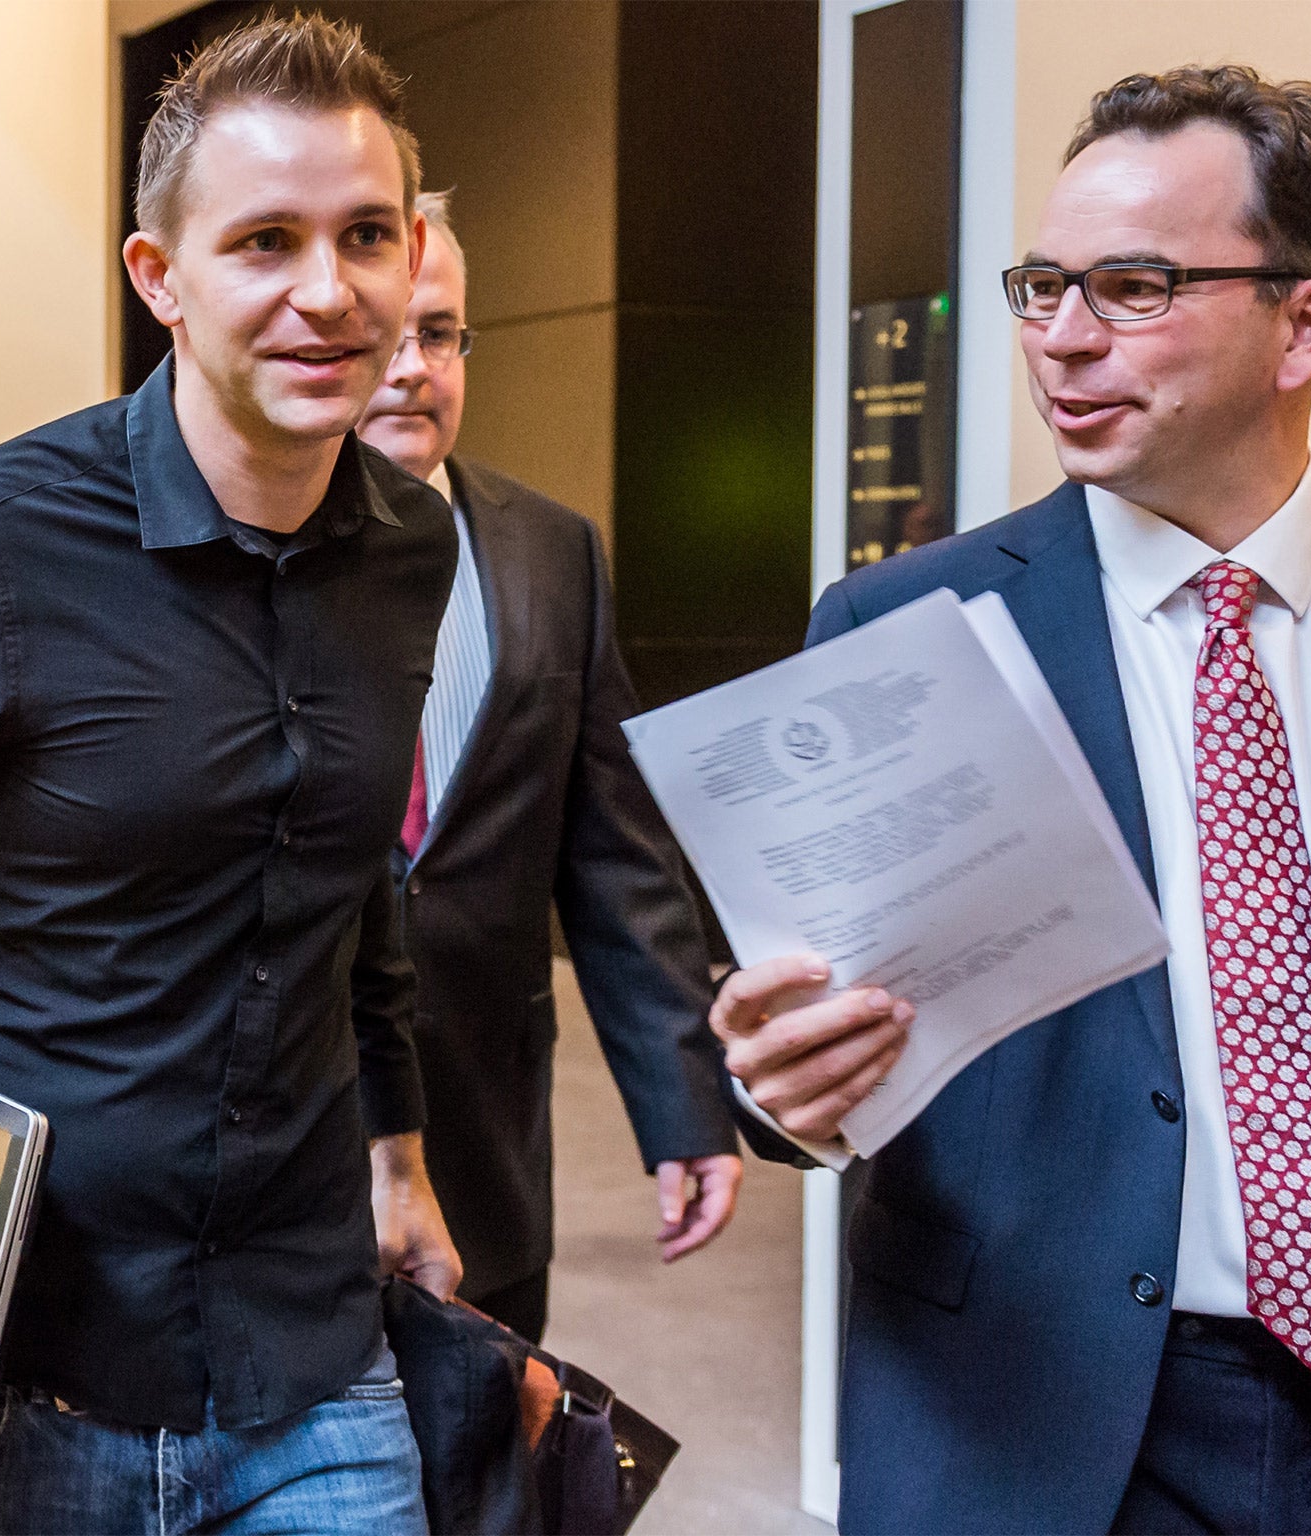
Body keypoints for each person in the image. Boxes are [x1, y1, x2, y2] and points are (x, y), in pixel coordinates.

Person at [713, 65, 1311, 1535]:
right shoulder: (902, 631)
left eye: (1130, 286)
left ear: (1306, 319)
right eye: (1042, 285)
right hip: (1012, 1411)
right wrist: (777, 1092)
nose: (1060, 337)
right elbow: (812, 1024)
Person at [0, 18, 463, 1534]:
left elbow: (356, 892)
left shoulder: (411, 547)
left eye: (366, 235)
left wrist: (402, 1155)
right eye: (265, 241)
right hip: (29, 1359)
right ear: (160, 280)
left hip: (312, 1344)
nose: (328, 291)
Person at [355, 192, 741, 1344]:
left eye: (439, 332)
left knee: (483, 1468)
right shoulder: (229, 562)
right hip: (280, 1142)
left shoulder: (550, 549)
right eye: (384, 335)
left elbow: (614, 854)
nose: (411, 367)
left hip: (486, 1121)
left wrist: (683, 1101)